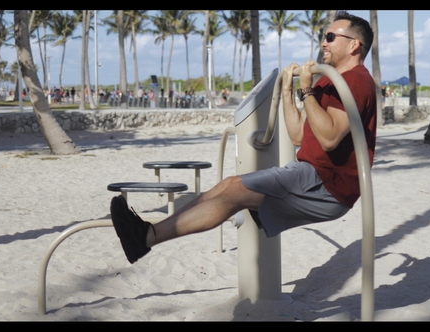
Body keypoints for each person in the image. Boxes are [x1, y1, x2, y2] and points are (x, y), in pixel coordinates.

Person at [110, 10, 377, 264]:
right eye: (323, 36)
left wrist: (306, 90)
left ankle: (145, 238)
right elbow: (299, 135)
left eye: (330, 37)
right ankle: (146, 233)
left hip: (327, 184)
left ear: (354, 45)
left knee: (235, 193)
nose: (323, 43)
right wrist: (288, 90)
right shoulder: (327, 81)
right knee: (229, 184)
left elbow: (330, 139)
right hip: (309, 172)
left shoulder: (355, 80)